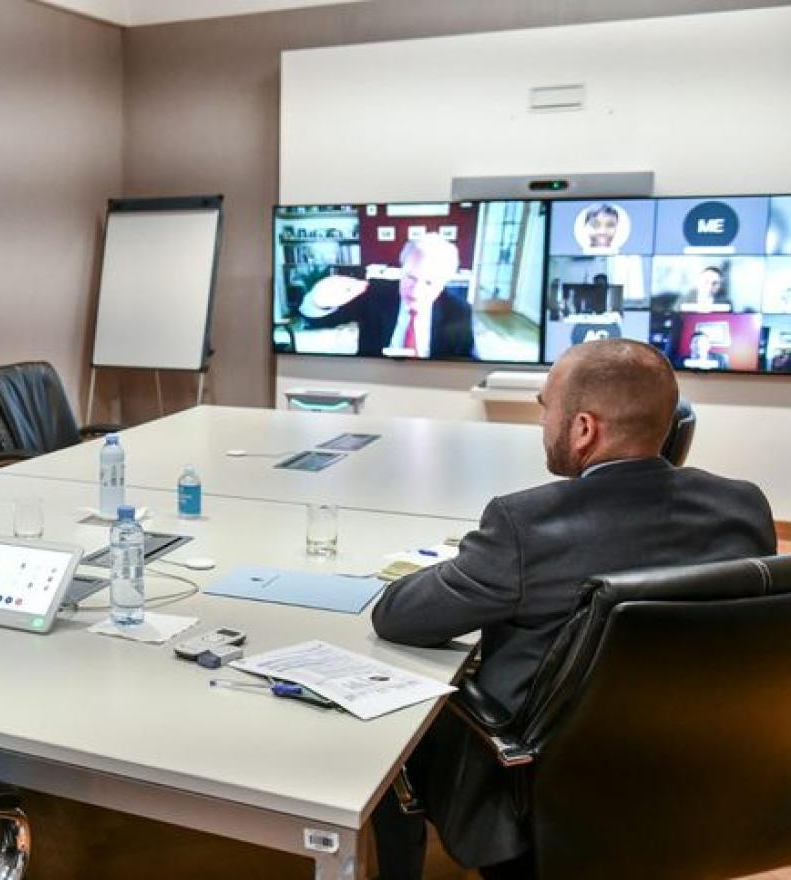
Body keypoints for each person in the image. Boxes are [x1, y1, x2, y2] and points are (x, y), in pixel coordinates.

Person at [368, 338, 775, 878]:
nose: (543, 423)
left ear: (583, 428)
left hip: (540, 792)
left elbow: (398, 617)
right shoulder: (743, 506)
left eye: (546, 409)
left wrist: (466, 564)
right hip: (700, 779)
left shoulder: (525, 525)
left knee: (399, 727)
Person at [297, 233, 474, 358]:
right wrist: (319, 300)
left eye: (429, 283)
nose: (416, 291)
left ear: (444, 282)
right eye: (411, 277)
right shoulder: (376, 293)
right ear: (401, 269)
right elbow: (316, 321)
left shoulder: (460, 313)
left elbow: (459, 369)